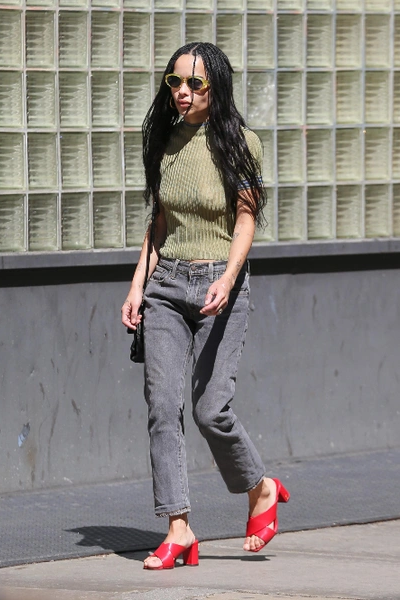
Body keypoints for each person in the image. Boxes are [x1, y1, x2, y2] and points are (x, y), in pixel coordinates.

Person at [121, 42, 289, 570]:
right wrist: (137, 285)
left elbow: (246, 220)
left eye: (195, 84)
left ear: (216, 88)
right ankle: (178, 527)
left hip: (222, 286)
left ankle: (260, 487)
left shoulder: (241, 143)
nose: (183, 92)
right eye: (175, 82)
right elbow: (159, 223)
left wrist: (228, 277)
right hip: (167, 286)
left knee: (210, 410)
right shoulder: (164, 141)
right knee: (162, 408)